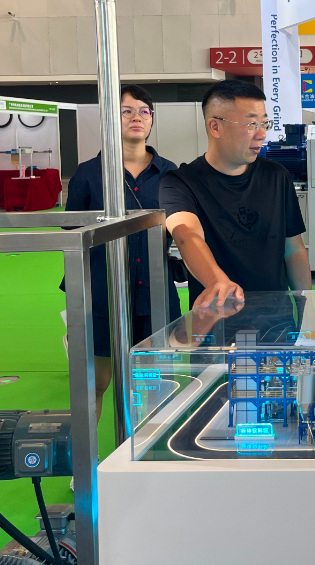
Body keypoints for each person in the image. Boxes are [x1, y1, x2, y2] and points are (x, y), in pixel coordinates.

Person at [63, 84, 182, 425]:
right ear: (111, 120)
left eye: (144, 111)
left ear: (152, 119)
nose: (136, 117)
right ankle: (84, 456)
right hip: (101, 292)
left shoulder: (170, 172)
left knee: (153, 380)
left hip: (154, 292)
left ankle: (149, 449)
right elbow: (71, 231)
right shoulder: (88, 173)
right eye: (126, 111)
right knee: (96, 382)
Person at [160, 80, 311, 309]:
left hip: (277, 320)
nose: (262, 134)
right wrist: (217, 282)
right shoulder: (180, 183)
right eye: (251, 124)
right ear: (215, 127)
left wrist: (307, 305)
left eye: (264, 123)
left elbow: (293, 249)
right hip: (217, 317)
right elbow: (187, 236)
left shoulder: (276, 176)